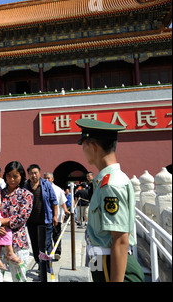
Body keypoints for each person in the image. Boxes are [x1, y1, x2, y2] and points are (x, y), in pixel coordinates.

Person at [76, 118, 144, 282]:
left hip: (111, 265)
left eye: (83, 145)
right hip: (100, 260)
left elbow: (120, 240)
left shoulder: (111, 184)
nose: (83, 150)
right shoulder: (103, 181)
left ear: (93, 146)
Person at [0, 161, 33, 282]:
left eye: (15, 176)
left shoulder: (26, 195)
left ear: (21, 176)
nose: (12, 179)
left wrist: (0, 222)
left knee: (19, 278)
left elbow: (22, 217)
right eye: (8, 176)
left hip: (17, 242)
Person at [24, 164, 58, 273]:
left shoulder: (46, 184)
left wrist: (55, 216)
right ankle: (39, 263)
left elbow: (54, 201)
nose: (33, 175)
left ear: (39, 173)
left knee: (45, 244)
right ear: (28, 174)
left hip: (45, 220)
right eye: (31, 173)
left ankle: (45, 267)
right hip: (31, 222)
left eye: (35, 173)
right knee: (34, 245)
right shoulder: (25, 186)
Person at [44, 171, 70, 260]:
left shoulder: (58, 190)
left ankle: (57, 252)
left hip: (56, 217)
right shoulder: (42, 188)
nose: (47, 180)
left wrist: (66, 210)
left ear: (52, 179)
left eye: (48, 178)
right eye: (45, 178)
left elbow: (63, 202)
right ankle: (50, 252)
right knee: (47, 236)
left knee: (56, 235)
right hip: (45, 217)